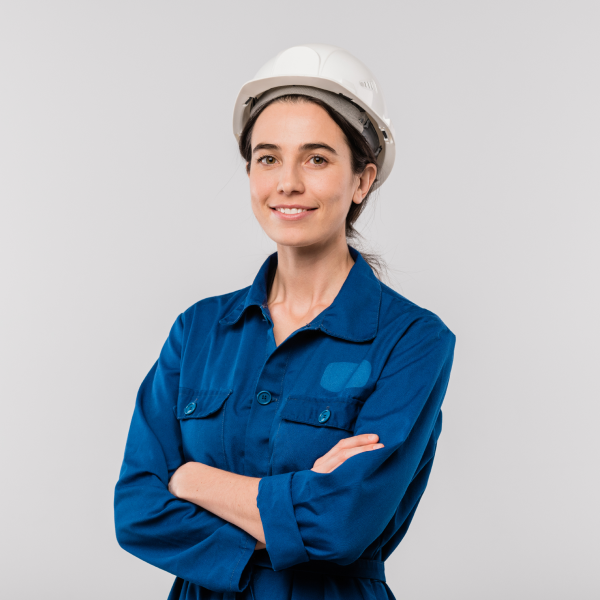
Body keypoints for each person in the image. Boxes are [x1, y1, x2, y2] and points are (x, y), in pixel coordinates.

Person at [114, 43, 456, 600]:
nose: (287, 183)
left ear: (362, 180)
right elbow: (136, 510)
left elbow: (341, 526)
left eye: (316, 159)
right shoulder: (197, 331)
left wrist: (190, 480)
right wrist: (299, 507)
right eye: (268, 158)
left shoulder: (412, 341)